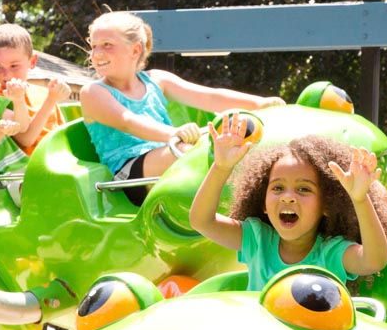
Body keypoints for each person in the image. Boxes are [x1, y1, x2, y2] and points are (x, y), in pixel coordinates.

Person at [80, 11, 284, 206]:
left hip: (167, 151)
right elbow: (128, 122)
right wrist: (173, 133)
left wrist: (259, 104)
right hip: (127, 175)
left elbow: (208, 96)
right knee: (195, 155)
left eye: (107, 45)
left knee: (228, 145)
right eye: (94, 45)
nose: (97, 54)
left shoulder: (156, 80)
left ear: (135, 50)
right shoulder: (93, 92)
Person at [190, 113, 387, 291]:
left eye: (303, 189)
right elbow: (202, 221)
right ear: (263, 202)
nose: (288, 197)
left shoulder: (331, 253)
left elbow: (374, 261)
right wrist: (221, 167)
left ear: (327, 205)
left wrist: (360, 199)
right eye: (278, 188)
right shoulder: (257, 240)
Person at [0, 23, 71, 155]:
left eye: (14, 66)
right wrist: (51, 99)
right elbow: (26, 140)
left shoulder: (44, 93)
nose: (6, 75)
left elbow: (63, 134)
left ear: (32, 62)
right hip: (30, 169)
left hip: (59, 158)